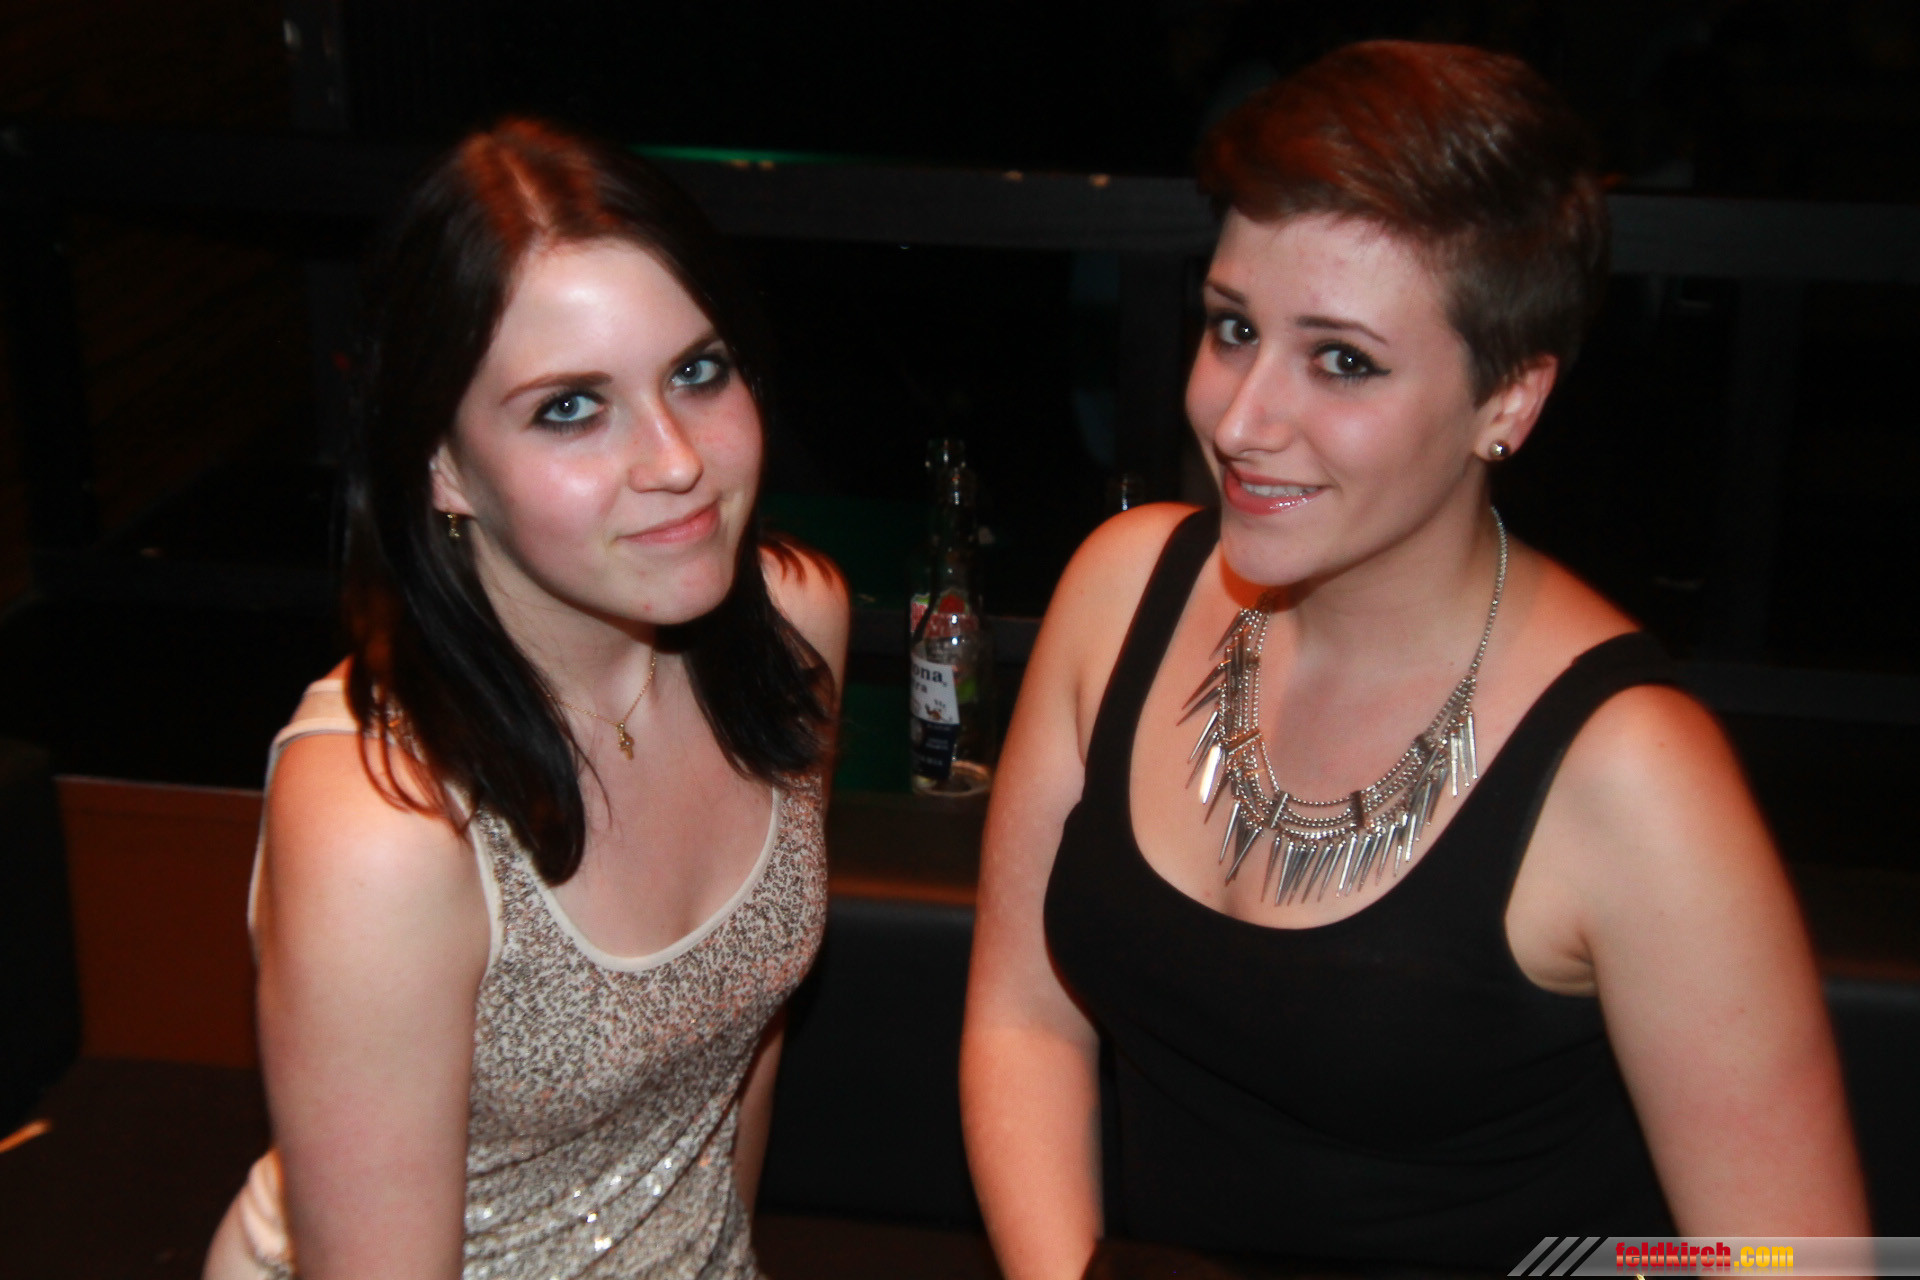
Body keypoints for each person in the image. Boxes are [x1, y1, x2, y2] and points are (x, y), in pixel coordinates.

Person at [960, 41, 1865, 1276]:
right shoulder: (1120, 591)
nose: (1240, 417)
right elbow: (1025, 1020)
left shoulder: (1632, 773)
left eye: (1343, 359)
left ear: (1510, 401)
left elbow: (1801, 1257)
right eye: (1232, 327)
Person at [204, 119, 849, 1280]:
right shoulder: (389, 824)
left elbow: (743, 1057)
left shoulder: (795, 626)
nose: (675, 459)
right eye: (570, 407)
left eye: (696, 371)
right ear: (442, 464)